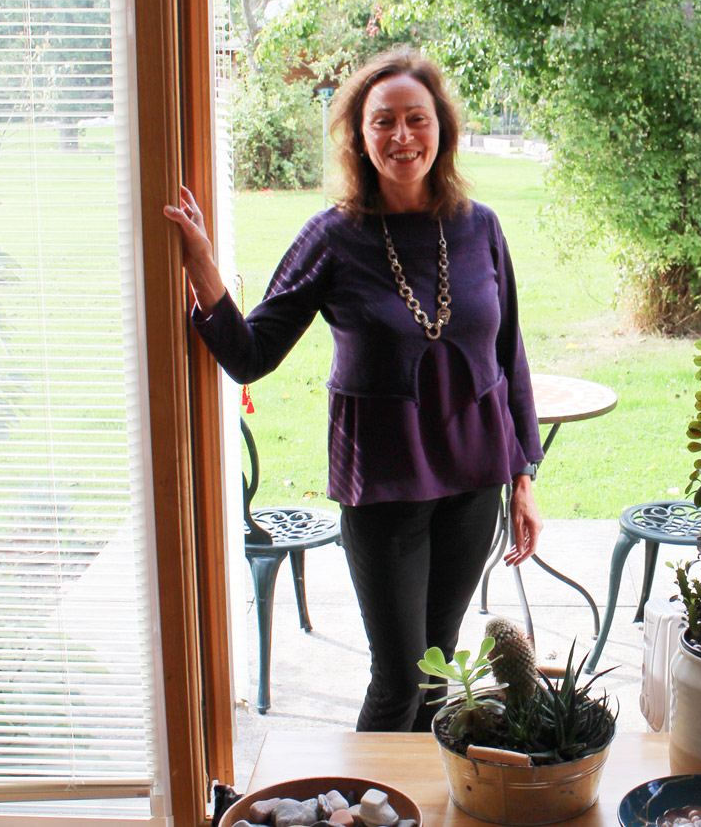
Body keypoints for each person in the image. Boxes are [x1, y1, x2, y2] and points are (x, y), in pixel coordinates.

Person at [162, 47, 545, 731]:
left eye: (417, 119)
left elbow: (508, 353)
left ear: (441, 130)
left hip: (473, 486)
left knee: (438, 672)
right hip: (387, 491)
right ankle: (357, 807)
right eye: (384, 121)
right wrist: (202, 267)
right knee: (399, 678)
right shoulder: (335, 237)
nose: (403, 136)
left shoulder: (479, 226)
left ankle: (421, 805)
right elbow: (251, 355)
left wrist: (522, 477)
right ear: (360, 138)